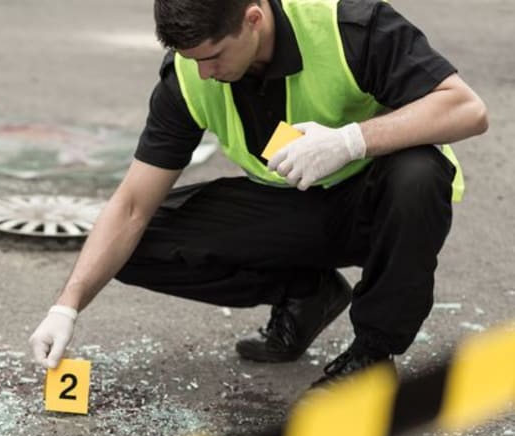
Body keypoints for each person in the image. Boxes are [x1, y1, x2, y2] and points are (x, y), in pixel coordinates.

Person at [28, 0, 487, 387]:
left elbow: (467, 108)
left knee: (418, 173)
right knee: (125, 245)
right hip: (292, 207)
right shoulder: (190, 75)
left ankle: (372, 352)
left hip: (377, 206)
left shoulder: (348, 25)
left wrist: (350, 141)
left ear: (253, 18)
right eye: (192, 60)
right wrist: (66, 307)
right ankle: (307, 293)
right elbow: (130, 207)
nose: (204, 74)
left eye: (213, 57)